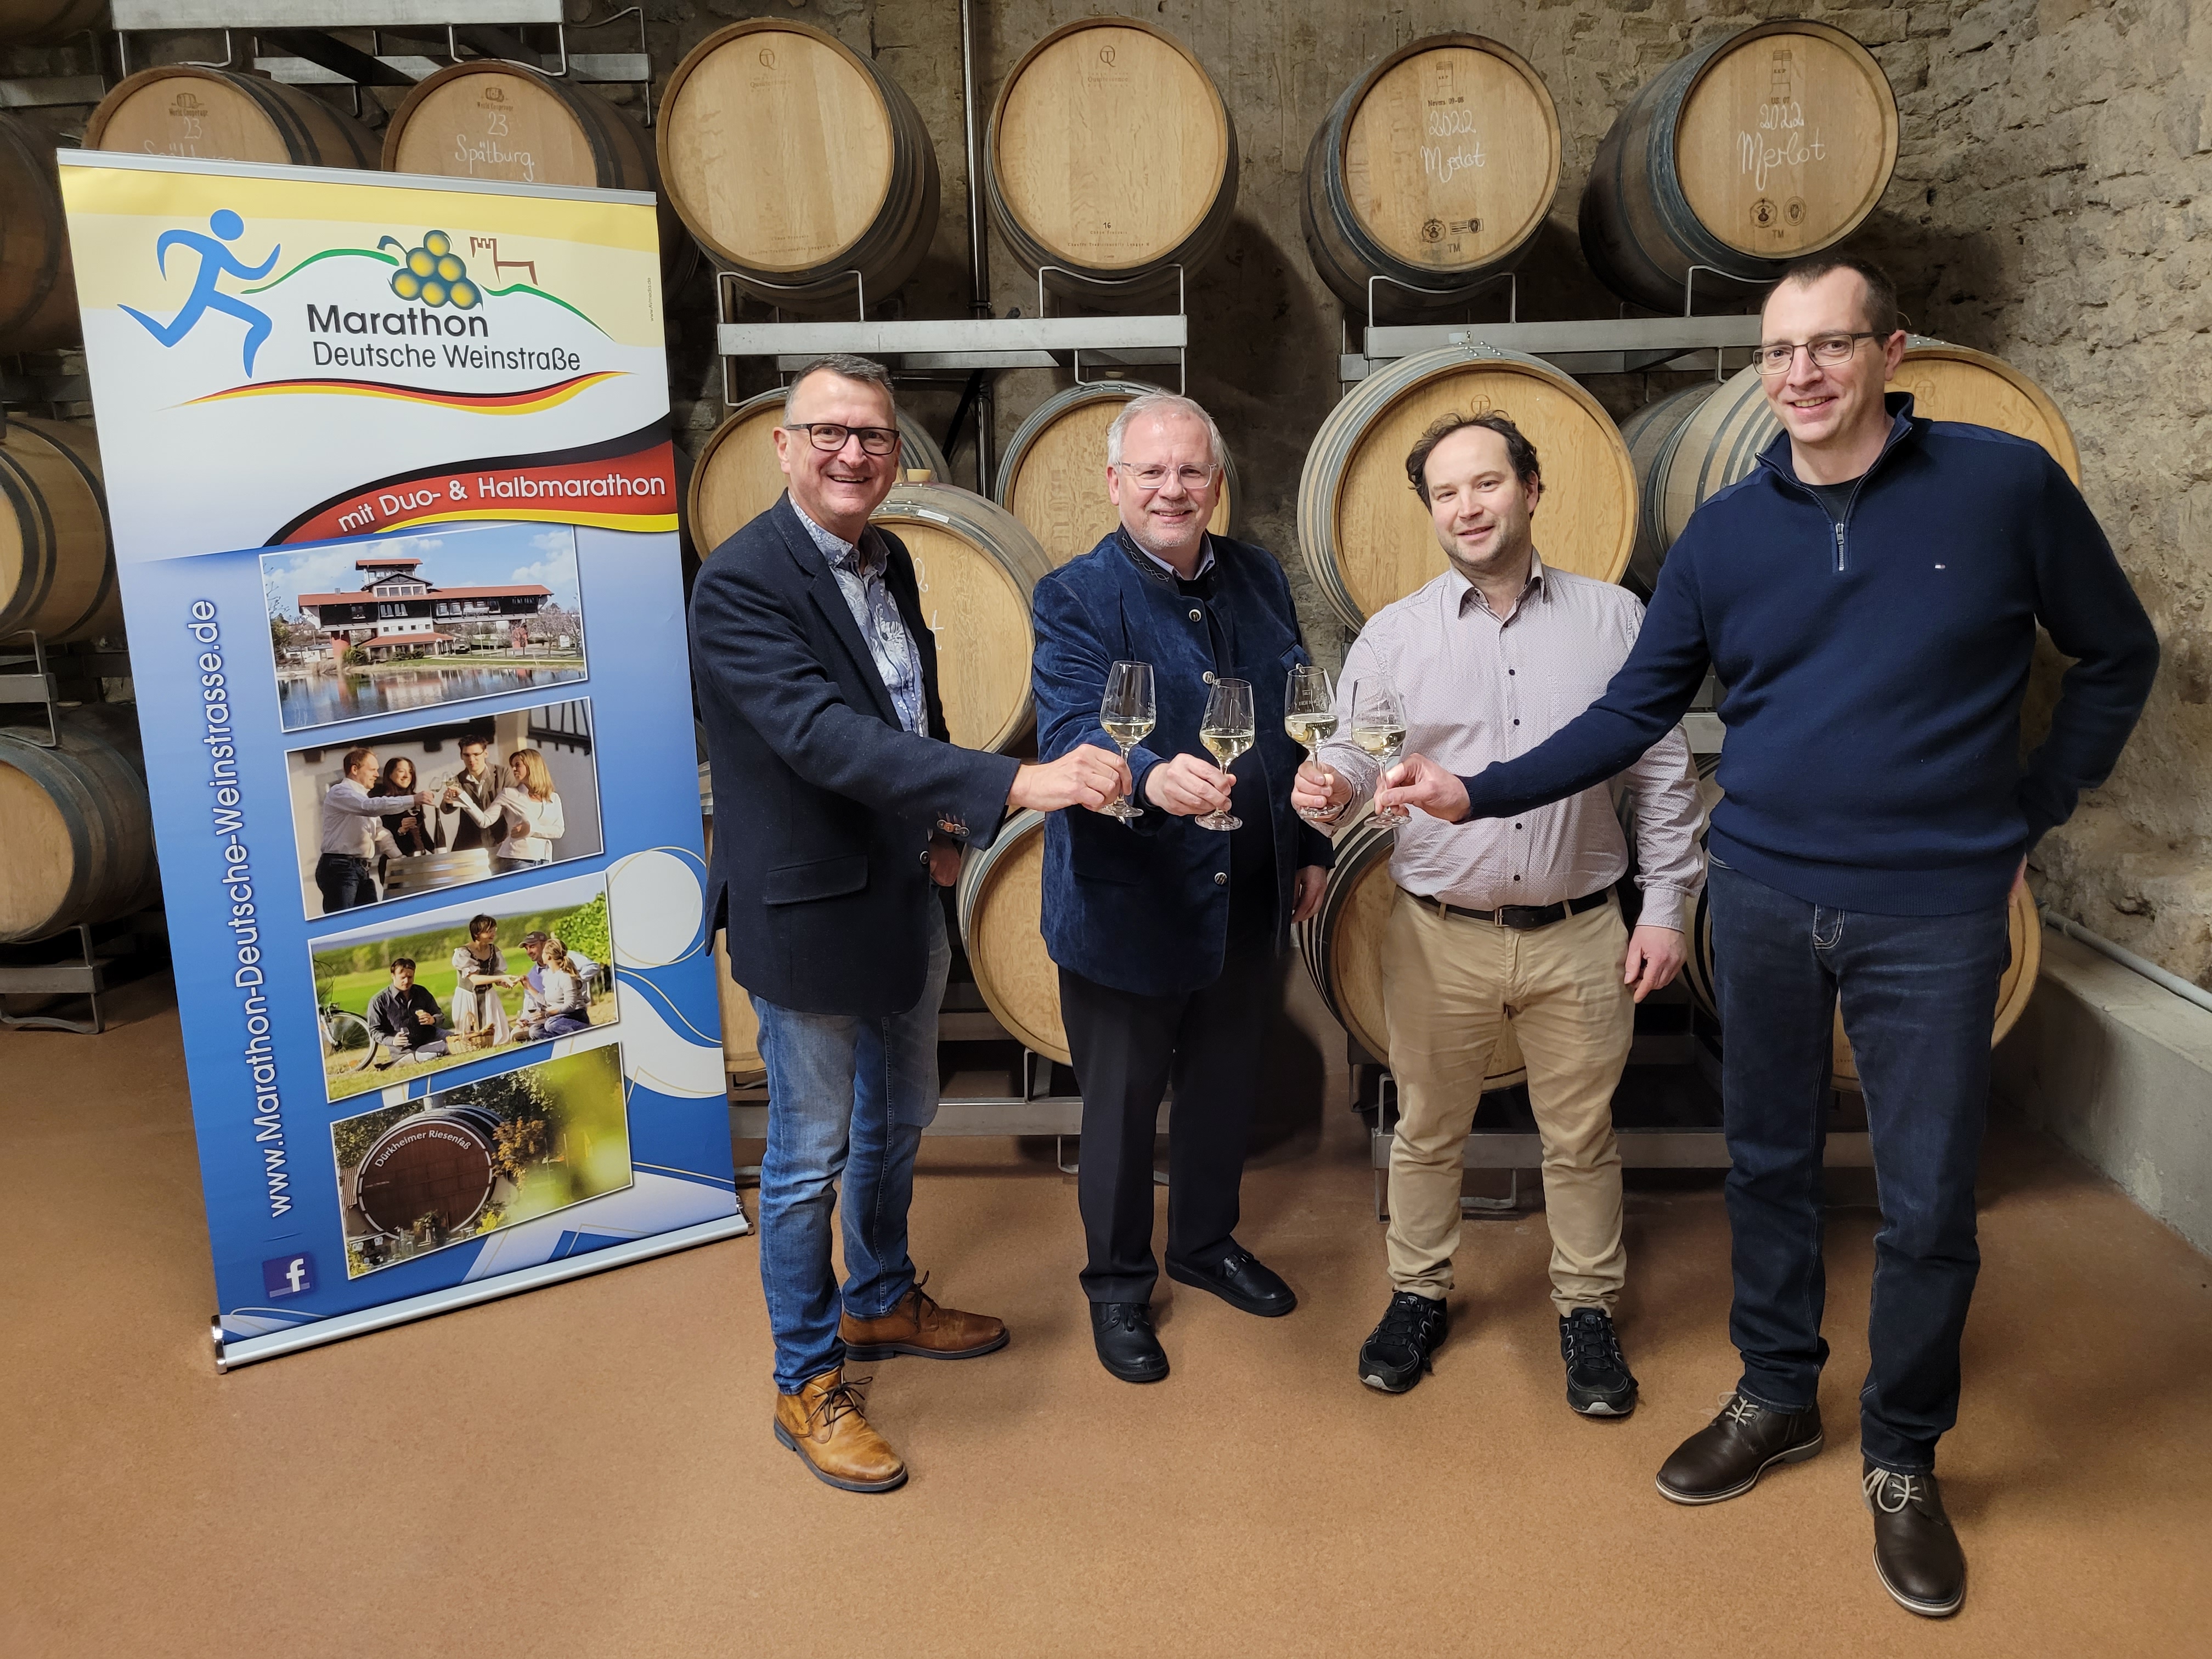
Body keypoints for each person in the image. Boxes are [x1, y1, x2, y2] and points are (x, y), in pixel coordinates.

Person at [1372, 254, 2159, 1618]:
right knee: (1770, 1165)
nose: (1799, 373)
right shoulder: (1726, 534)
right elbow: (1637, 716)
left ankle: (1905, 1459)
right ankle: (1780, 1392)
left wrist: (2032, 806)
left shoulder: (2004, 488)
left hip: (1939, 903)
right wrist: (1477, 788)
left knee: (1923, 1200)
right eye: (1778, 350)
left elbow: (2119, 654)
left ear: (1890, 352)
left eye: (1828, 346)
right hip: (1773, 891)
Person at [689, 353, 1128, 1493]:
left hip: (901, 889)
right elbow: (823, 737)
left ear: (898, 455)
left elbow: (907, 708)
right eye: (828, 432)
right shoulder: (742, 584)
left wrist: (945, 826)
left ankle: (880, 1299)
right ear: (784, 448)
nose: (852, 453)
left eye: (874, 437)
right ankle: (806, 1378)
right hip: (810, 910)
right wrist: (1011, 785)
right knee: (806, 1158)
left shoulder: (886, 560)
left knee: (900, 1118)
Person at [1293, 411, 1703, 1414]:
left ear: (1531, 489)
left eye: (1485, 484)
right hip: (1440, 932)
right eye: (1444, 492)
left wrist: (1665, 908)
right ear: (1429, 510)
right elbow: (1355, 751)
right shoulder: (1395, 632)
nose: (1466, 507)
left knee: (1581, 1135)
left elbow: (1660, 775)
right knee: (1428, 1130)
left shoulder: (1616, 619)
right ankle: (1417, 1292)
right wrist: (1327, 784)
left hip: (1579, 929)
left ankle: (1586, 1309)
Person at [1030, 390, 1333, 1386]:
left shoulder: (1258, 573)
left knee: (1220, 1089)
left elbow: (1289, 723)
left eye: (1191, 470)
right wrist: (1149, 775)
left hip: (1246, 890)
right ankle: (1118, 1284)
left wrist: (1311, 849)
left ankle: (1203, 1245)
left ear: (1216, 483)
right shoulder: (1074, 594)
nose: (1173, 488)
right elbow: (1072, 720)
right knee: (1119, 1110)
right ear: (1115, 484)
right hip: (1129, 900)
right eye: (1151, 471)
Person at [315, 747, 432, 915]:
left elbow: (381, 833)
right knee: (343, 926)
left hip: (361, 870)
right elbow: (370, 808)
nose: (377, 775)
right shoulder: (340, 792)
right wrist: (413, 799)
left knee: (370, 918)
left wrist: (401, 860)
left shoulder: (362, 798)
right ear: (355, 769)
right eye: (373, 770)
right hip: (340, 869)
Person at [446, 747, 563, 872]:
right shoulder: (510, 794)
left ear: (532, 766)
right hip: (517, 859)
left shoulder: (553, 798)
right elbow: (484, 821)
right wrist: (463, 797)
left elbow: (558, 831)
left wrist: (530, 829)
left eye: (518, 765)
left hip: (545, 860)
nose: (513, 769)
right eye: (512, 765)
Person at [448, 915, 518, 1046]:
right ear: (477, 933)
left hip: (488, 995)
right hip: (468, 996)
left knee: (496, 1037)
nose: (493, 934)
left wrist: (502, 981)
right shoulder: (463, 953)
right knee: (469, 1038)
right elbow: (474, 979)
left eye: (494, 930)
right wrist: (501, 977)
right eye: (489, 931)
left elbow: (496, 972)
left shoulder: (494, 950)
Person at [363, 957, 448, 1063]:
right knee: (443, 1049)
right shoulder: (379, 1001)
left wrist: (433, 1020)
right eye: (403, 977)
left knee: (462, 1041)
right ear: (393, 976)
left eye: (410, 977)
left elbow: (439, 1014)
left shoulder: (421, 992)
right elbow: (374, 1031)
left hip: (431, 1037)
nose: (407, 981)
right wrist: (393, 1041)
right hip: (405, 1050)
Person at [515, 933, 596, 1042]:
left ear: (548, 956)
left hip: (574, 1015)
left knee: (550, 1025)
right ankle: (564, 1040)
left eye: (543, 952)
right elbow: (547, 1001)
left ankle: (586, 1031)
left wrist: (547, 1014)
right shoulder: (548, 976)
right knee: (534, 1031)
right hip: (558, 1018)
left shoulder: (566, 976)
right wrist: (529, 986)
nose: (528, 952)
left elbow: (571, 1006)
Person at [435, 736, 501, 853]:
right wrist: (449, 803)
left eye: (476, 754)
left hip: (500, 841)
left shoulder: (503, 773)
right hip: (470, 845)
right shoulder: (457, 779)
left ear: (486, 753)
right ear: (461, 756)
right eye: (467, 755)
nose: (472, 759)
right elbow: (446, 810)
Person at [371, 756, 435, 859]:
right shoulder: (383, 801)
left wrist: (435, 851)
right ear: (390, 774)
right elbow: (382, 836)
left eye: (410, 772)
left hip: (419, 858)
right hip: (395, 860)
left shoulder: (416, 798)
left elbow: (422, 832)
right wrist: (402, 830)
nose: (407, 776)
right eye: (401, 771)